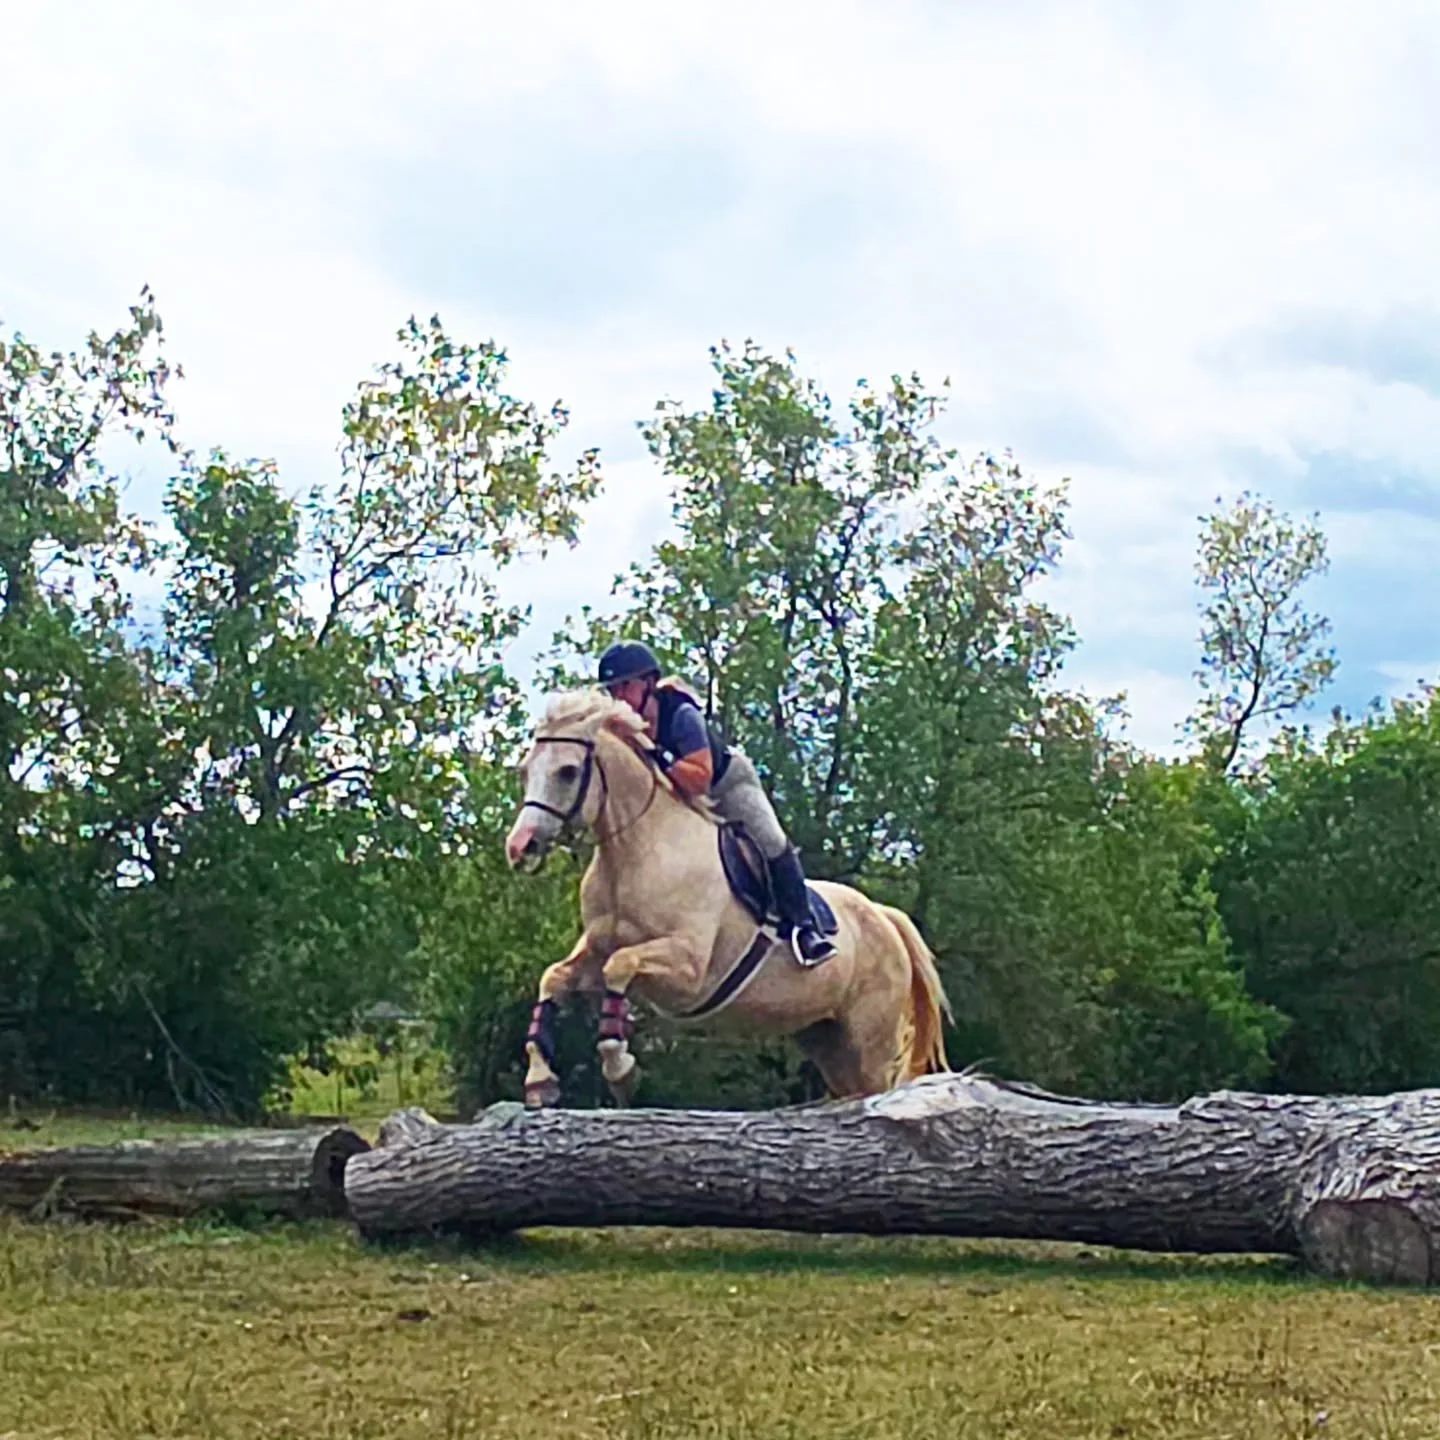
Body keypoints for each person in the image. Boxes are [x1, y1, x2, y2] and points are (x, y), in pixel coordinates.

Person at [596, 639, 836, 965]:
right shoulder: (624, 728)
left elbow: (699, 779)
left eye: (625, 686)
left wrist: (656, 752)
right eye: (613, 690)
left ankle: (805, 928)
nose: (618, 697)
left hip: (725, 785)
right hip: (674, 795)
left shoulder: (681, 716)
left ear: (649, 683)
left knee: (770, 840)